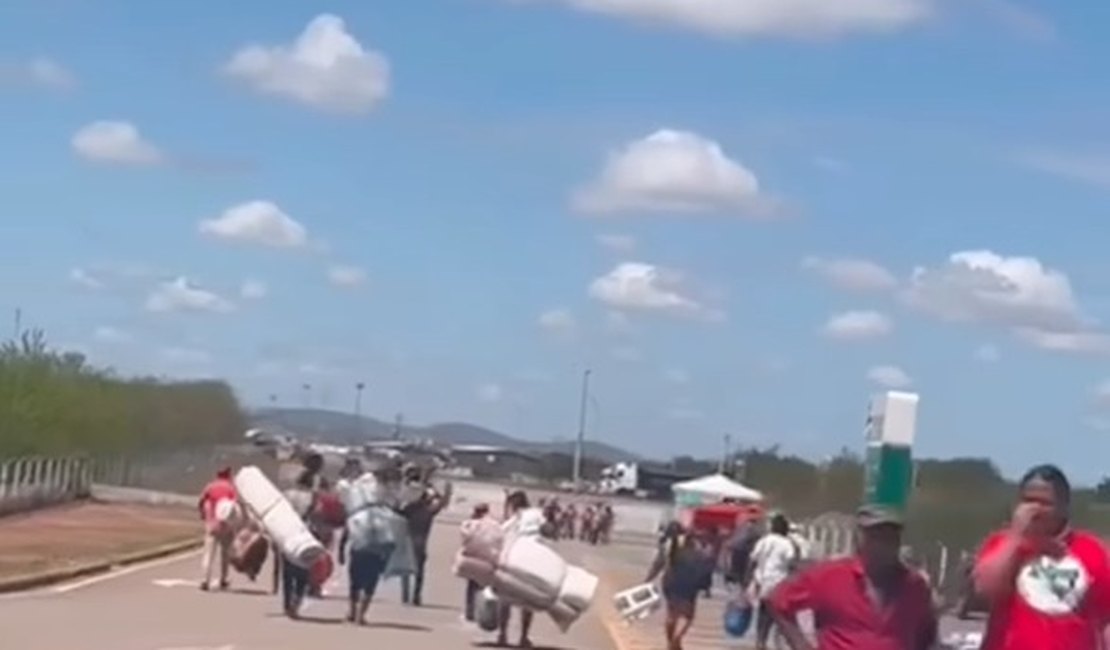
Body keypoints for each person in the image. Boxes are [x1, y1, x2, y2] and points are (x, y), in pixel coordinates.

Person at [973, 464, 1110, 650]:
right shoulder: (1001, 544)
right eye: (1028, 501)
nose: (1035, 510)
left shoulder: (1092, 551)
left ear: (1063, 507)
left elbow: (1106, 621)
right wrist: (1017, 538)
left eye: (1045, 503)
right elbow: (985, 589)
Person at [768, 504, 937, 650]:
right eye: (876, 536)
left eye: (891, 536)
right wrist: (801, 646)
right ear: (860, 538)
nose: (884, 543)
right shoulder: (830, 575)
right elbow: (776, 601)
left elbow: (926, 631)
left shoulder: (915, 585)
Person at [339, 461, 401, 625]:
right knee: (371, 581)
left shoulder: (360, 504)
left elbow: (349, 525)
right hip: (377, 548)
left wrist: (341, 549)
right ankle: (361, 614)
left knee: (355, 581)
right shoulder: (386, 503)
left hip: (359, 546)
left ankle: (352, 611)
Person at [645, 521, 714, 650]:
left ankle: (670, 642)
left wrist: (648, 580)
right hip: (688, 585)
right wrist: (705, 587)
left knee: (671, 614)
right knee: (688, 617)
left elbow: (658, 564)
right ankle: (676, 639)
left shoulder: (667, 545)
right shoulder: (697, 546)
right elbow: (704, 567)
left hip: (670, 583)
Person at [399, 470, 453, 606]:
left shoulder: (408, 510)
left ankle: (405, 596)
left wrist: (405, 482)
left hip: (408, 542)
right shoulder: (427, 512)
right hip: (421, 544)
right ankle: (416, 596)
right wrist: (443, 492)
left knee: (405, 571)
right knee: (419, 572)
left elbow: (396, 505)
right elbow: (442, 503)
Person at [747, 513, 800, 650]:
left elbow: (753, 559)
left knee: (762, 610)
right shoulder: (786, 543)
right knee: (775, 612)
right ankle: (769, 640)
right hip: (777, 582)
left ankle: (760, 640)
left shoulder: (764, 540)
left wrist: (748, 579)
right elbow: (792, 562)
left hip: (761, 580)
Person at [497, 490, 538, 648]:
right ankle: (523, 637)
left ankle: (502, 634)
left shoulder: (511, 522)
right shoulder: (535, 517)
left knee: (504, 601)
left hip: (510, 563)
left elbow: (500, 535)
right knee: (527, 604)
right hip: (528, 564)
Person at [280, 471, 317, 618]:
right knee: (303, 570)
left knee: (288, 572)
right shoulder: (312, 496)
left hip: (288, 531)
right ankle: (296, 603)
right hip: (304, 532)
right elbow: (315, 514)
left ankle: (287, 604)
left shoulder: (287, 494)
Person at [197, 466, 239, 592]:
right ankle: (223, 579)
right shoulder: (230, 488)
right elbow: (234, 506)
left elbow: (201, 501)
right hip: (226, 526)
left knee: (208, 554)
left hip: (211, 524)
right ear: (228, 475)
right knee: (225, 554)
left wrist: (203, 514)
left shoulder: (210, 487)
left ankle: (205, 579)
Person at [463, 503, 493, 622]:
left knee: (471, 586)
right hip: (483, 558)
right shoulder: (488, 525)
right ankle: (478, 611)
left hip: (472, 557)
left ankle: (470, 611)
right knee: (481, 586)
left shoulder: (470, 523)